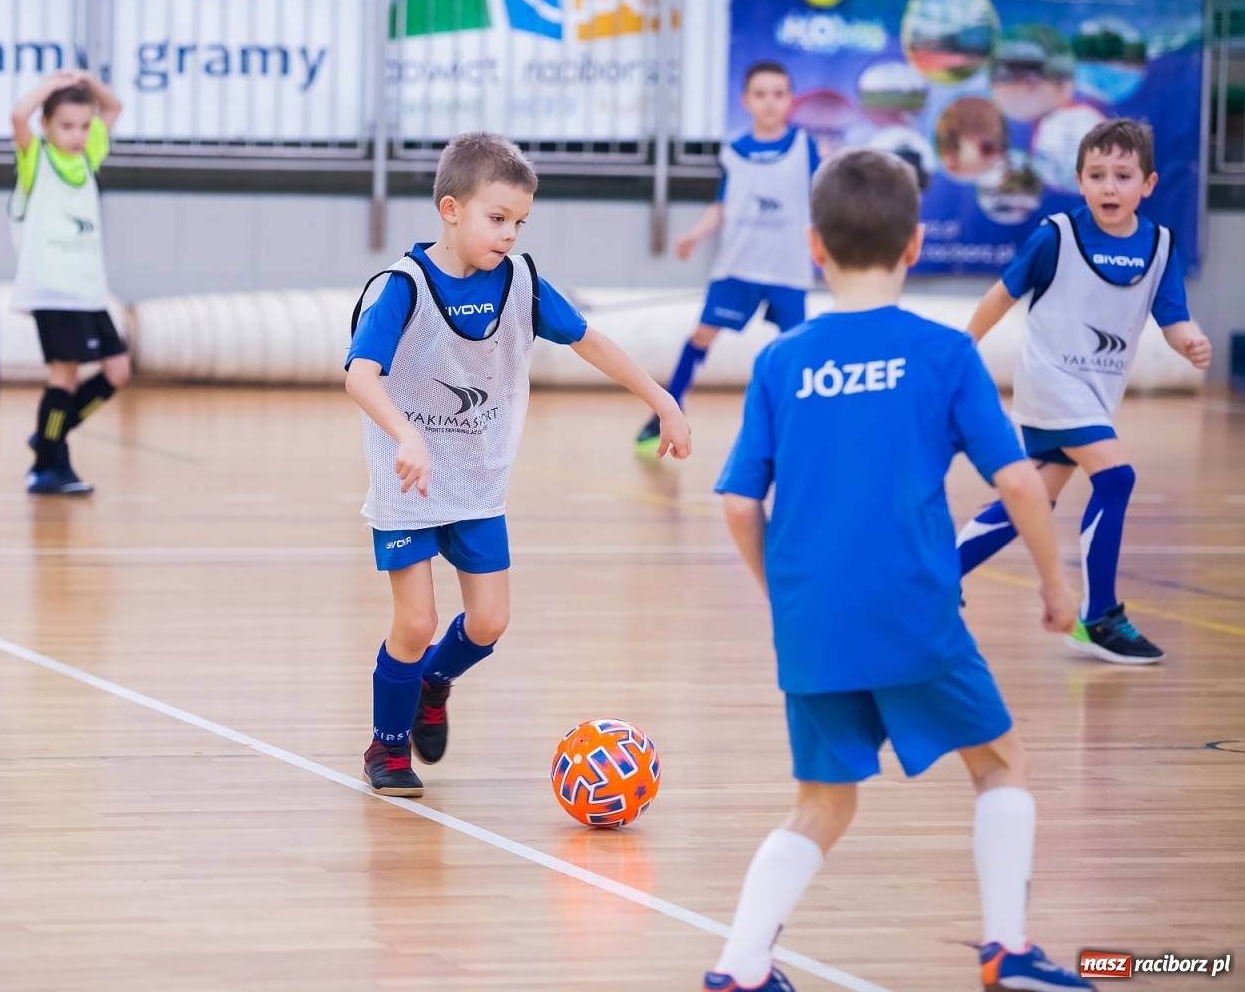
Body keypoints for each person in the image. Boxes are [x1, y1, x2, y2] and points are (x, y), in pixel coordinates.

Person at [706, 148, 1092, 992]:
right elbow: (1019, 482)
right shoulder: (944, 354)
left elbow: (738, 504)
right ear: (915, 244)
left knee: (822, 802)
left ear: (815, 245)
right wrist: (1056, 585)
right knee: (999, 763)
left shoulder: (780, 361)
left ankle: (739, 966)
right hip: (913, 613)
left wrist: (784, 598)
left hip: (813, 625)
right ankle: (1007, 950)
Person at [346, 131, 692, 796]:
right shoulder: (401, 288)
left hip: (478, 482)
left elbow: (589, 340)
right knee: (415, 623)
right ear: (451, 210)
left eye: (520, 223)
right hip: (409, 482)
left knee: (489, 622)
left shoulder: (521, 282)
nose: (509, 234)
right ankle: (386, 748)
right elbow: (360, 377)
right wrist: (405, 435)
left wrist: (662, 400)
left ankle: (433, 683)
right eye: (498, 218)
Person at [955, 118, 1212, 664]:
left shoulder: (1160, 246)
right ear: (1079, 181)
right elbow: (1002, 295)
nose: (1108, 187)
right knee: (1116, 476)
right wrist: (963, 346)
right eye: (1096, 175)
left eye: (1122, 175)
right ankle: (1099, 617)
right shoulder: (1057, 235)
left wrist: (1189, 340)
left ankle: (935, 578)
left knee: (1032, 499)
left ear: (1148, 184)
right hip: (1051, 382)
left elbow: (1172, 317)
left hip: (1096, 394)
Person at [637, 60, 819, 455]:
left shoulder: (805, 147)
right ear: (745, 101)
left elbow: (821, 201)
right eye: (760, 94)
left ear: (790, 100)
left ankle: (801, 426)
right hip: (737, 267)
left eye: (778, 94)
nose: (769, 102)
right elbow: (722, 205)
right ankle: (667, 410)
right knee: (702, 335)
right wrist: (694, 234)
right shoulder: (733, 152)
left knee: (797, 348)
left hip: (788, 269)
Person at [9, 69, 126, 495]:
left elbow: (114, 106)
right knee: (65, 376)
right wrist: (53, 85)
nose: (77, 134)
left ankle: (48, 436)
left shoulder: (88, 156)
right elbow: (17, 116)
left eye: (84, 126)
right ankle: (48, 466)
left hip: (89, 291)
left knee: (117, 371)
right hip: (54, 289)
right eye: (66, 126)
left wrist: (89, 82)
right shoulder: (36, 158)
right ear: (46, 125)